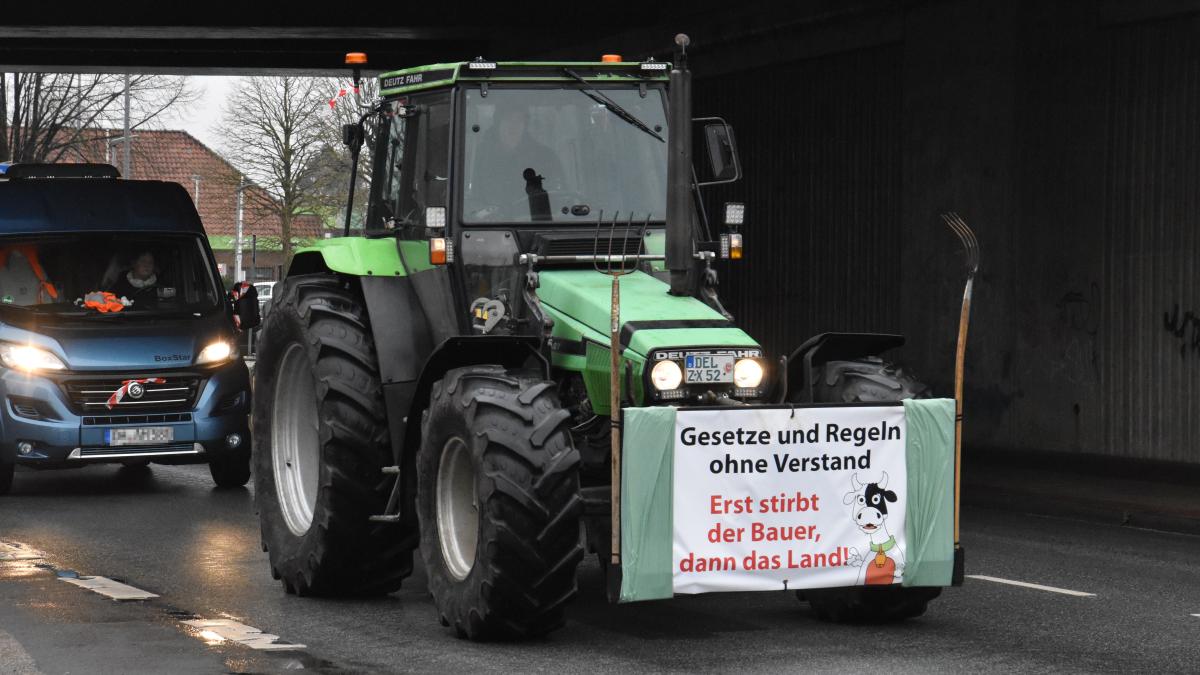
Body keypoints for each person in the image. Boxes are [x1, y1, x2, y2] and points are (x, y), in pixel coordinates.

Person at [468, 106, 565, 220]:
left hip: (536, 223)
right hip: (490, 227)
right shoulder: (479, 156)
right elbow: (472, 198)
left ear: (525, 126)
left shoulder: (546, 157)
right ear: (498, 123)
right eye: (508, 119)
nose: (513, 126)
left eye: (519, 120)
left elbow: (558, 196)